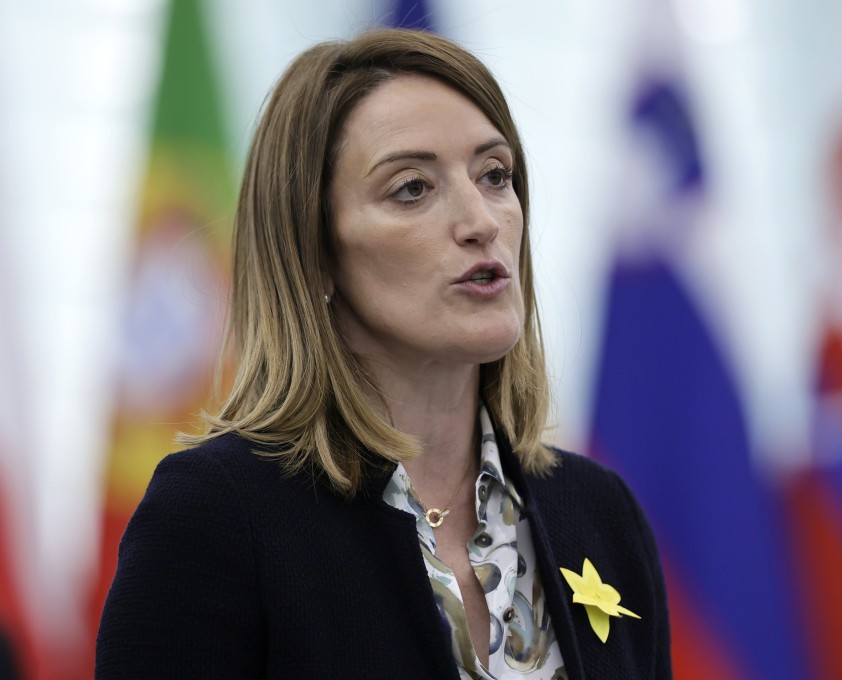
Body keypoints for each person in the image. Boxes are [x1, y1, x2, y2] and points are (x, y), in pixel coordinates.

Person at [95, 28, 671, 679]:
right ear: (313, 252)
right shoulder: (217, 516)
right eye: (412, 189)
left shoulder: (600, 512)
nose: (481, 220)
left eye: (495, 175)